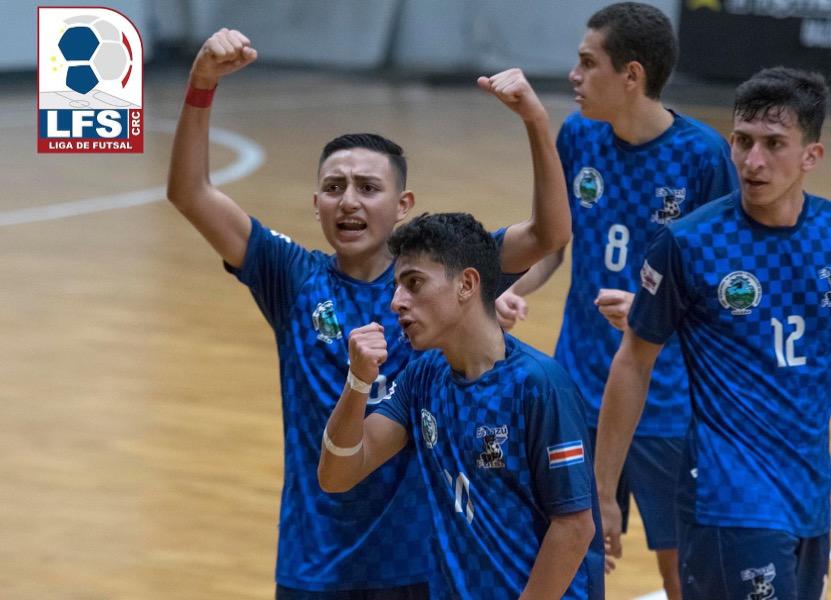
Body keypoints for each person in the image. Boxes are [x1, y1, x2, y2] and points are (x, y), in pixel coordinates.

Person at [166, 29, 571, 599]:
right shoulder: (292, 275)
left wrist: (534, 120)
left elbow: (552, 233)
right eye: (333, 187)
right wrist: (202, 83)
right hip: (316, 560)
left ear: (403, 205)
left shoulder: (439, 275)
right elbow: (189, 192)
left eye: (367, 186)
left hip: (419, 563)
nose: (348, 200)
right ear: (315, 205)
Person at [596, 66, 831, 600]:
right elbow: (633, 362)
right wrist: (603, 490)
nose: (752, 161)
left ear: (812, 156)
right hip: (726, 497)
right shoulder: (688, 244)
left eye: (774, 144)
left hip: (808, 496)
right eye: (742, 141)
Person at [494, 3, 737, 596]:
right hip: (577, 385)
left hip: (666, 397)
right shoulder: (580, 136)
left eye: (586, 63)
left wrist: (659, 312)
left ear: (631, 75)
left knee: (680, 568)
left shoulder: (704, 157)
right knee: (569, 549)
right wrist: (508, 290)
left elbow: (730, 286)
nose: (573, 76)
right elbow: (555, 242)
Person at [317, 213, 604, 600]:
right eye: (397, 286)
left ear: (466, 284)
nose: (396, 302)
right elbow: (338, 474)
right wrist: (357, 382)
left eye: (413, 283)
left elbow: (574, 527)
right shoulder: (423, 379)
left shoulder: (539, 385)